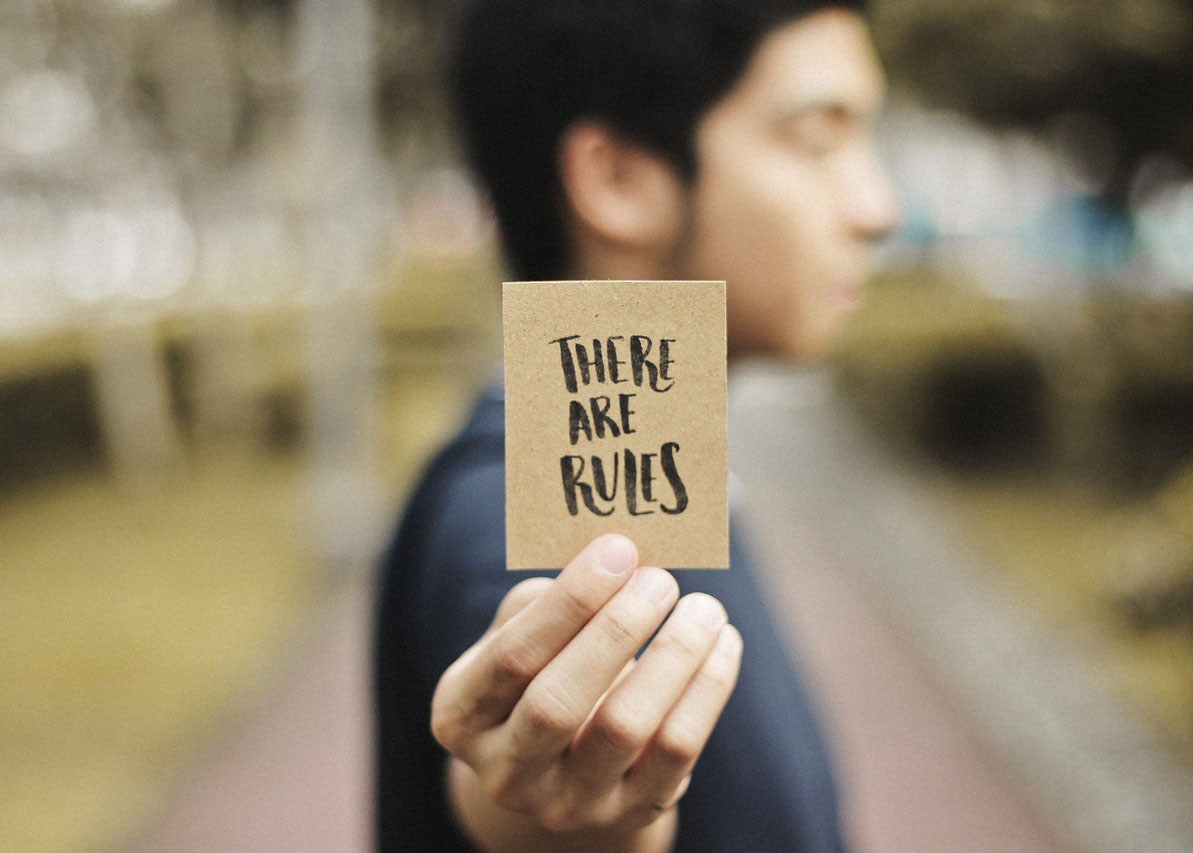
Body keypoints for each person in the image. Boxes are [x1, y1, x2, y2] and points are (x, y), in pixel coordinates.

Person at [374, 0, 898, 850]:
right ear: (617, 177)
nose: (877, 207)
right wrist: (567, 815)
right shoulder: (512, 518)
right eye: (817, 139)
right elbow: (523, 768)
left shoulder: (653, 460)